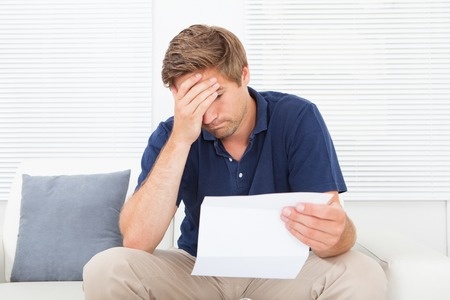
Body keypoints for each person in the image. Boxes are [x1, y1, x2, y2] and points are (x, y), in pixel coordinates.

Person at [83, 24, 387, 299]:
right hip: (197, 269)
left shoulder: (297, 117)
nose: (209, 115)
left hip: (285, 271)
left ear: (244, 74)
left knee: (362, 272)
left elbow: (332, 236)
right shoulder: (172, 134)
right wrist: (181, 139)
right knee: (106, 268)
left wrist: (340, 234)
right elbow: (137, 242)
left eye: (217, 96)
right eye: (195, 101)